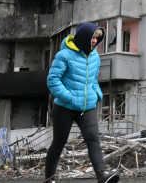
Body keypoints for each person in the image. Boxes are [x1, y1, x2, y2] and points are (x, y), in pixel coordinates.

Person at [44, 22, 118, 183]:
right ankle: (49, 179)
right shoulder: (64, 55)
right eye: (92, 37)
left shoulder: (94, 56)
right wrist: (69, 97)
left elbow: (93, 80)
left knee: (93, 139)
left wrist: (97, 94)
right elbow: (53, 80)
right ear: (84, 37)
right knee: (59, 142)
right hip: (65, 106)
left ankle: (102, 177)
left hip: (87, 106)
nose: (94, 41)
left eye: (97, 38)